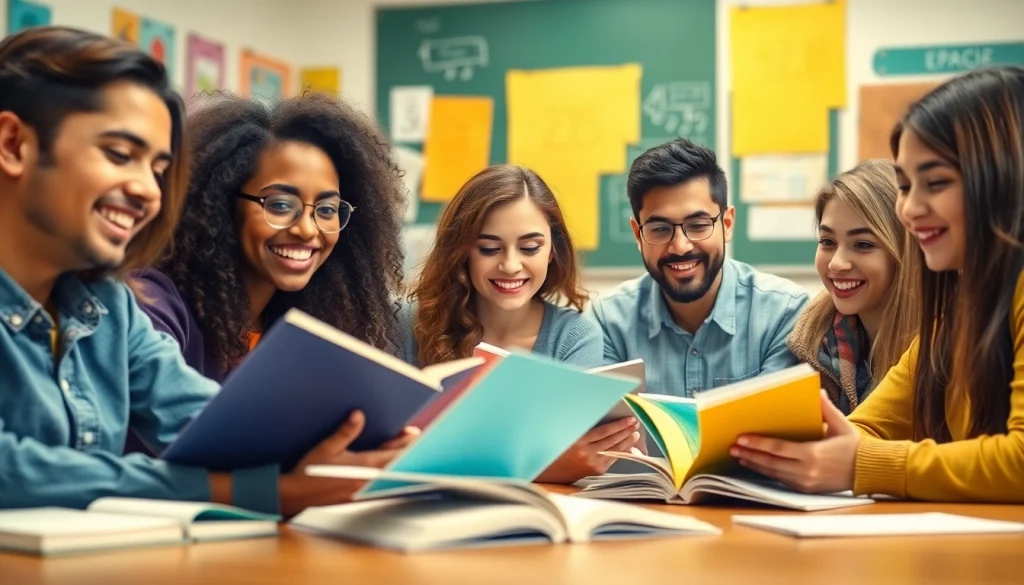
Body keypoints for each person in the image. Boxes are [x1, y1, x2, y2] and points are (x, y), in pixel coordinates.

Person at [0, 26, 404, 517]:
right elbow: (12, 470)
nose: (149, 191)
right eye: (120, 155)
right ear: (13, 143)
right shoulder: (147, 300)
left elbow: (206, 421)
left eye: (158, 168)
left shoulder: (109, 304)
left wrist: (369, 445)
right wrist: (253, 491)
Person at [731, 66, 1024, 503]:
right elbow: (865, 429)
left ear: (1003, 179)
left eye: (936, 182)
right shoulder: (955, 314)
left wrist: (862, 463)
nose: (910, 209)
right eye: (905, 186)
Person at [133, 91, 407, 381]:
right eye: (280, 205)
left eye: (327, 210)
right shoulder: (153, 306)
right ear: (220, 203)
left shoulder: (310, 323)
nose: (307, 229)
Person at [401, 164, 639, 483]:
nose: (511, 265)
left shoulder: (576, 338)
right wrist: (542, 466)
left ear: (554, 250)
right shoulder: (408, 323)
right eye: (489, 248)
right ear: (461, 252)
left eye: (530, 248)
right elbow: (388, 450)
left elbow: (578, 457)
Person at [588, 138, 810, 397]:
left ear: (727, 224)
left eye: (698, 225)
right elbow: (609, 431)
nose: (680, 247)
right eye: (660, 229)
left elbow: (779, 427)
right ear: (638, 235)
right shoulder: (608, 322)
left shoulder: (784, 313)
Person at [786, 159, 920, 414]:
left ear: (905, 251)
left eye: (863, 245)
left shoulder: (941, 343)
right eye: (827, 241)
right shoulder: (813, 341)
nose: (836, 264)